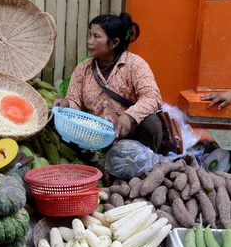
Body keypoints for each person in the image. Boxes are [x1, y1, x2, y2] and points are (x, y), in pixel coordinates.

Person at [53, 13, 163, 151]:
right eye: (89, 35)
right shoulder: (83, 68)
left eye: (96, 36)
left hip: (128, 135)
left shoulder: (135, 65)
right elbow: (75, 100)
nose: (89, 41)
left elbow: (152, 97)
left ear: (114, 43)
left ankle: (145, 164)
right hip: (95, 136)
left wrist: (130, 116)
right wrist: (67, 103)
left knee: (151, 123)